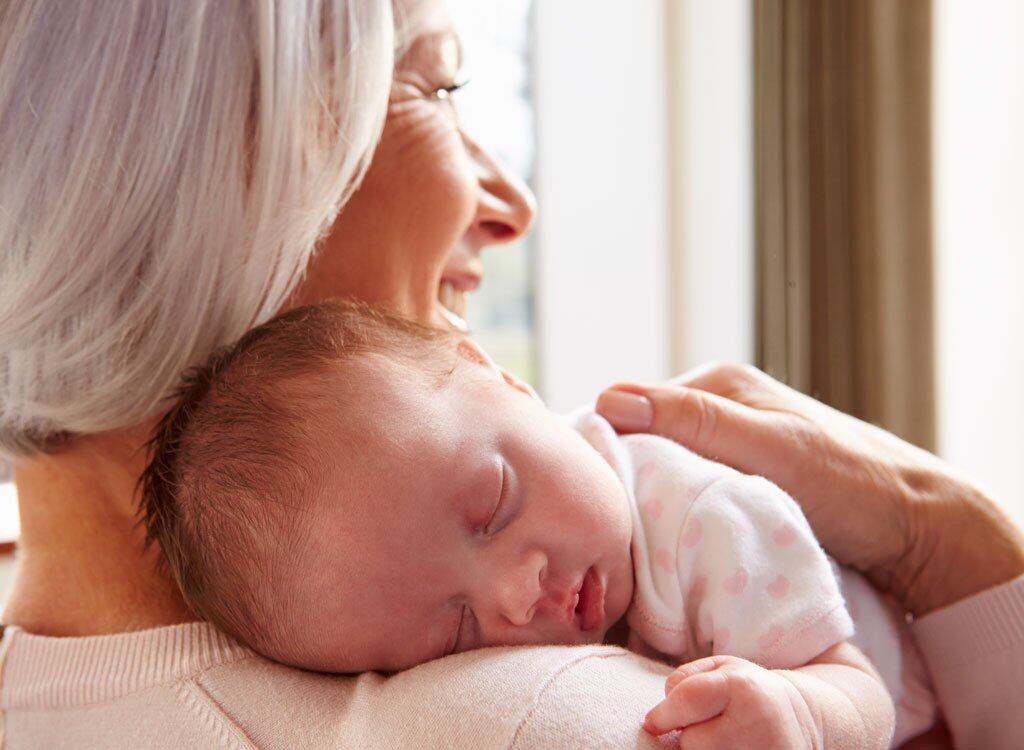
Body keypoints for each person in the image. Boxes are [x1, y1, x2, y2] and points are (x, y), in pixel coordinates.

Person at [0, 1, 1020, 748]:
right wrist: (950, 541)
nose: (511, 206)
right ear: (218, 173)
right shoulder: (543, 718)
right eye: (438, 88)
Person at [136, 298, 929, 747]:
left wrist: (800, 712)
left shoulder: (703, 523)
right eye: (454, 631)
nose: (519, 595)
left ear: (505, 381)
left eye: (492, 506)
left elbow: (864, 688)